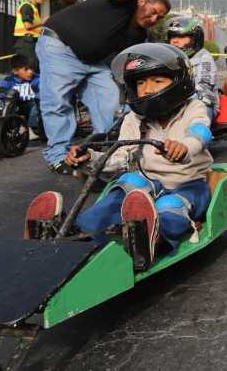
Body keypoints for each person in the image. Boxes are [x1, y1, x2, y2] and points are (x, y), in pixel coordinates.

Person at [25, 43, 213, 272]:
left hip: (188, 185)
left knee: (169, 205)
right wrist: (90, 158)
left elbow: (200, 132)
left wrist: (184, 147)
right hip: (149, 182)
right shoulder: (134, 119)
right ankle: (75, 231)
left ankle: (153, 238)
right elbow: (122, 157)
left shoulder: (194, 107)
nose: (146, 89)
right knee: (126, 185)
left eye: (157, 81)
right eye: (140, 82)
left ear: (179, 81)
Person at [36, 0, 171, 174]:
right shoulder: (123, 3)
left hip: (93, 61)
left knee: (110, 102)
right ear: (141, 1)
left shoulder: (140, 34)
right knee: (58, 102)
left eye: (160, 17)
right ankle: (58, 156)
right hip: (60, 46)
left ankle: (103, 152)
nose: (154, 19)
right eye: (153, 11)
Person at [166, 16, 219, 121]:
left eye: (181, 37)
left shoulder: (204, 58)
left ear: (195, 39)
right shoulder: (171, 59)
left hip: (201, 104)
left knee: (195, 116)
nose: (174, 41)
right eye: (172, 37)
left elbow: (204, 89)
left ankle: (195, 137)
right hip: (173, 106)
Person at [0, 54, 40, 132]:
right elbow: (1, 93)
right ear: (15, 71)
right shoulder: (8, 80)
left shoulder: (37, 80)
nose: (31, 72)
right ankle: (8, 128)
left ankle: (33, 128)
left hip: (30, 106)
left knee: (34, 105)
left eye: (32, 69)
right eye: (26, 69)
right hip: (14, 106)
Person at [14, 0, 49, 67]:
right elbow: (27, 25)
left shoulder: (33, 8)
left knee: (32, 67)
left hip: (30, 41)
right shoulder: (27, 7)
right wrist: (43, 21)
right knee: (28, 67)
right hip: (26, 43)